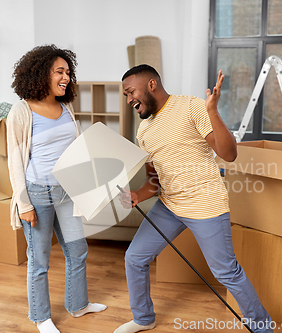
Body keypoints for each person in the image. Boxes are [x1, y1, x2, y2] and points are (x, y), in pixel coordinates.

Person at [114, 64, 273, 333]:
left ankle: (263, 328)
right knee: (134, 258)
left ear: (151, 84)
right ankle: (144, 318)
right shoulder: (144, 132)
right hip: (169, 206)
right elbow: (154, 179)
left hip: (205, 204)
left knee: (226, 272)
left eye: (131, 92)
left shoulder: (192, 107)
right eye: (126, 95)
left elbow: (229, 153)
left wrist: (212, 111)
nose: (129, 99)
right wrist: (137, 195)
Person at [6, 44, 107, 333]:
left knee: (78, 251)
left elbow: (73, 149)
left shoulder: (66, 107)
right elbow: (15, 158)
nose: (66, 77)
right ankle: (40, 317)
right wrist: (23, 203)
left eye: (68, 72)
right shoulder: (21, 111)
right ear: (40, 74)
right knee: (39, 260)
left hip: (67, 191)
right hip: (37, 194)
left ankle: (78, 305)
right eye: (59, 72)